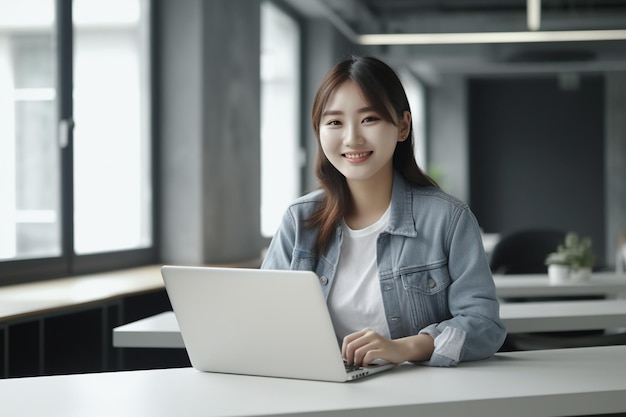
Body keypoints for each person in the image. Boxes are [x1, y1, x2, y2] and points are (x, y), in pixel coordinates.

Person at [261, 56, 506, 367]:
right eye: (335, 122)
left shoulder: (448, 219)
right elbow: (266, 321)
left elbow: (485, 325)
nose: (352, 138)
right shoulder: (299, 220)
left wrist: (405, 348)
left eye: (369, 119)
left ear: (402, 126)